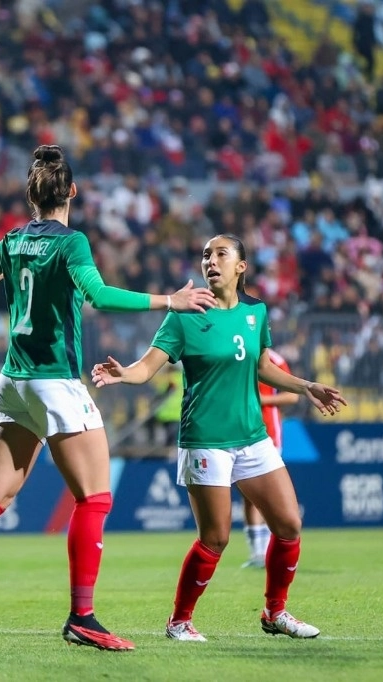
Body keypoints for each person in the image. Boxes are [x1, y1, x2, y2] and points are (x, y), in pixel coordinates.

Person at [0, 145, 217, 654]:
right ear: (72, 193)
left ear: (30, 196)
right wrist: (170, 300)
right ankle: (82, 616)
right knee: (95, 497)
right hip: (56, 381)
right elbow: (98, 295)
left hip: (13, 380)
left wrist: (2, 269)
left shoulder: (13, 239)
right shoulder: (72, 243)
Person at [91, 233, 347, 642]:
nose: (211, 260)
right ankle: (179, 621)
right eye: (206, 255)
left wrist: (305, 386)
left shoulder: (256, 312)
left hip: (252, 435)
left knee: (288, 525)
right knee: (216, 537)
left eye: (221, 254)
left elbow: (262, 366)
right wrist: (124, 374)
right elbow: (146, 368)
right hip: (205, 439)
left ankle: (275, 612)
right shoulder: (183, 315)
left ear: (241, 266)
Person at [241, 349, 299, 569]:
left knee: (265, 495)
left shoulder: (274, 359)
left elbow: (291, 395)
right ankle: (257, 552)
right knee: (247, 495)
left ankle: (268, 550)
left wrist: (262, 399)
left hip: (268, 434)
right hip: (238, 432)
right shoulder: (236, 349)